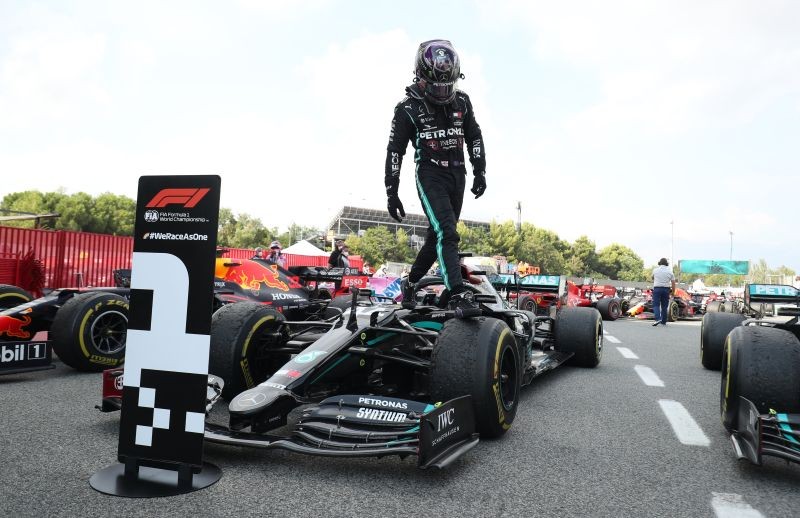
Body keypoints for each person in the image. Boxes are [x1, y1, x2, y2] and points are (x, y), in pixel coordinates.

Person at [385, 39, 486, 317]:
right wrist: (391, 191)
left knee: (436, 237)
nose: (443, 92)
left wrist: (480, 170)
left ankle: (410, 283)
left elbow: (474, 136)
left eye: (447, 86)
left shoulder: (463, 100)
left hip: (458, 173)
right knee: (448, 232)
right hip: (430, 174)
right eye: (436, 86)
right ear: (421, 77)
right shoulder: (406, 108)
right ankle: (457, 292)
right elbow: (395, 150)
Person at [652, 257, 676, 326]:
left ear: (659, 263)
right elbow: (673, 283)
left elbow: (652, 278)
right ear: (666, 264)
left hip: (657, 289)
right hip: (666, 290)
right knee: (664, 306)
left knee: (656, 305)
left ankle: (657, 318)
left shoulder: (655, 270)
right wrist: (673, 292)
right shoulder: (670, 272)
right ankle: (663, 321)